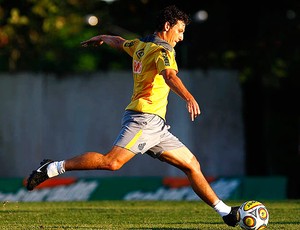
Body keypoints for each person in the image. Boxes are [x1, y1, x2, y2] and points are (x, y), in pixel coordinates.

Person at [27, 5, 239, 227]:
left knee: (191, 165)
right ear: (167, 26)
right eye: (180, 30)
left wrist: (102, 37)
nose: (181, 37)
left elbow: (119, 42)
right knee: (112, 162)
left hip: (156, 126)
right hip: (144, 119)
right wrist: (188, 97)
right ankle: (52, 168)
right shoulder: (163, 52)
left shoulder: (140, 46)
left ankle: (226, 213)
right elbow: (169, 75)